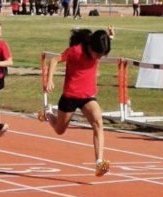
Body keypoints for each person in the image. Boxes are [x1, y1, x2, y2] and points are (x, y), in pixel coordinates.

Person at [38, 26, 115, 177]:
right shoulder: (76, 51)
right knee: (60, 130)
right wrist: (49, 80)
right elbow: (54, 60)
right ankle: (48, 114)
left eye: (102, 55)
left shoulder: (98, 47)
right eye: (97, 54)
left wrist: (110, 37)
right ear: (91, 47)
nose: (98, 58)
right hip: (70, 96)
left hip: (87, 96)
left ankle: (99, 163)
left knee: (98, 123)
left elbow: (103, 43)